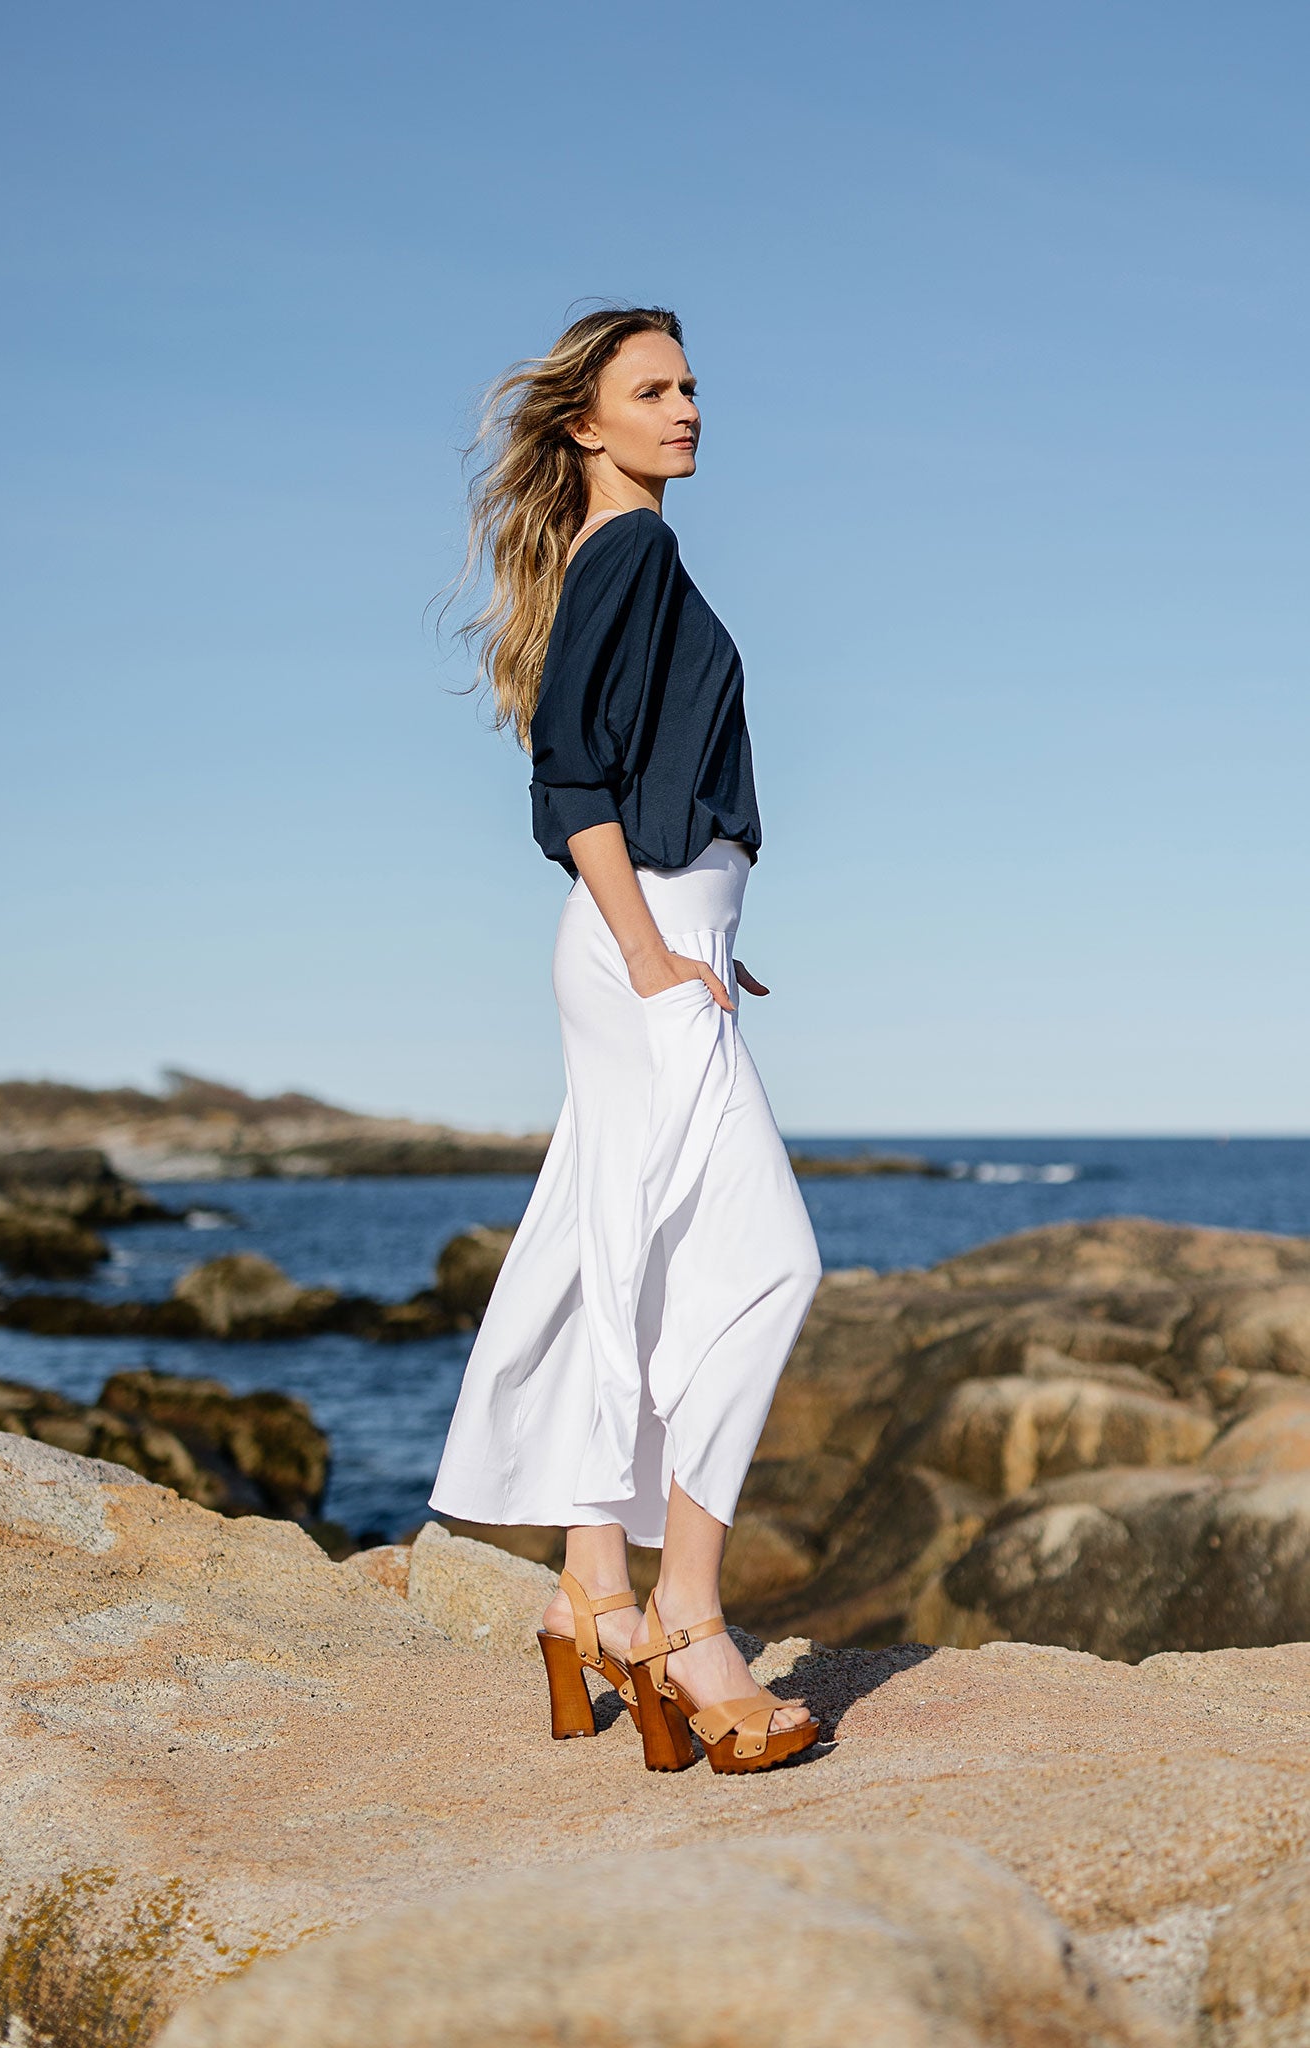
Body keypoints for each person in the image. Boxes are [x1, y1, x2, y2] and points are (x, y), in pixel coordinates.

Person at [429, 305, 823, 1773]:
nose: (689, 407)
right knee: (767, 1261)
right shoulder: (634, 548)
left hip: (662, 939)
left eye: (693, 385)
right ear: (586, 423)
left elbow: (633, 775)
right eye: (654, 390)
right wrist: (658, 946)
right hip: (641, 941)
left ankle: (590, 1585)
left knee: (619, 1249)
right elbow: (568, 776)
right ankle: (690, 1617)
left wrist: (708, 936)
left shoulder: (623, 553)